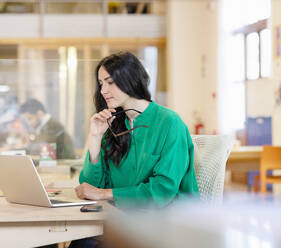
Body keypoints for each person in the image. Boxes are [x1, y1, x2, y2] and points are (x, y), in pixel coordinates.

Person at [70, 51, 199, 247]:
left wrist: (104, 194)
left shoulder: (169, 122)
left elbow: (162, 191)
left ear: (130, 79)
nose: (103, 90)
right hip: (122, 219)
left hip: (166, 224)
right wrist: (95, 138)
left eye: (110, 82)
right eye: (101, 83)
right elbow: (90, 186)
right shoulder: (115, 124)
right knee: (79, 241)